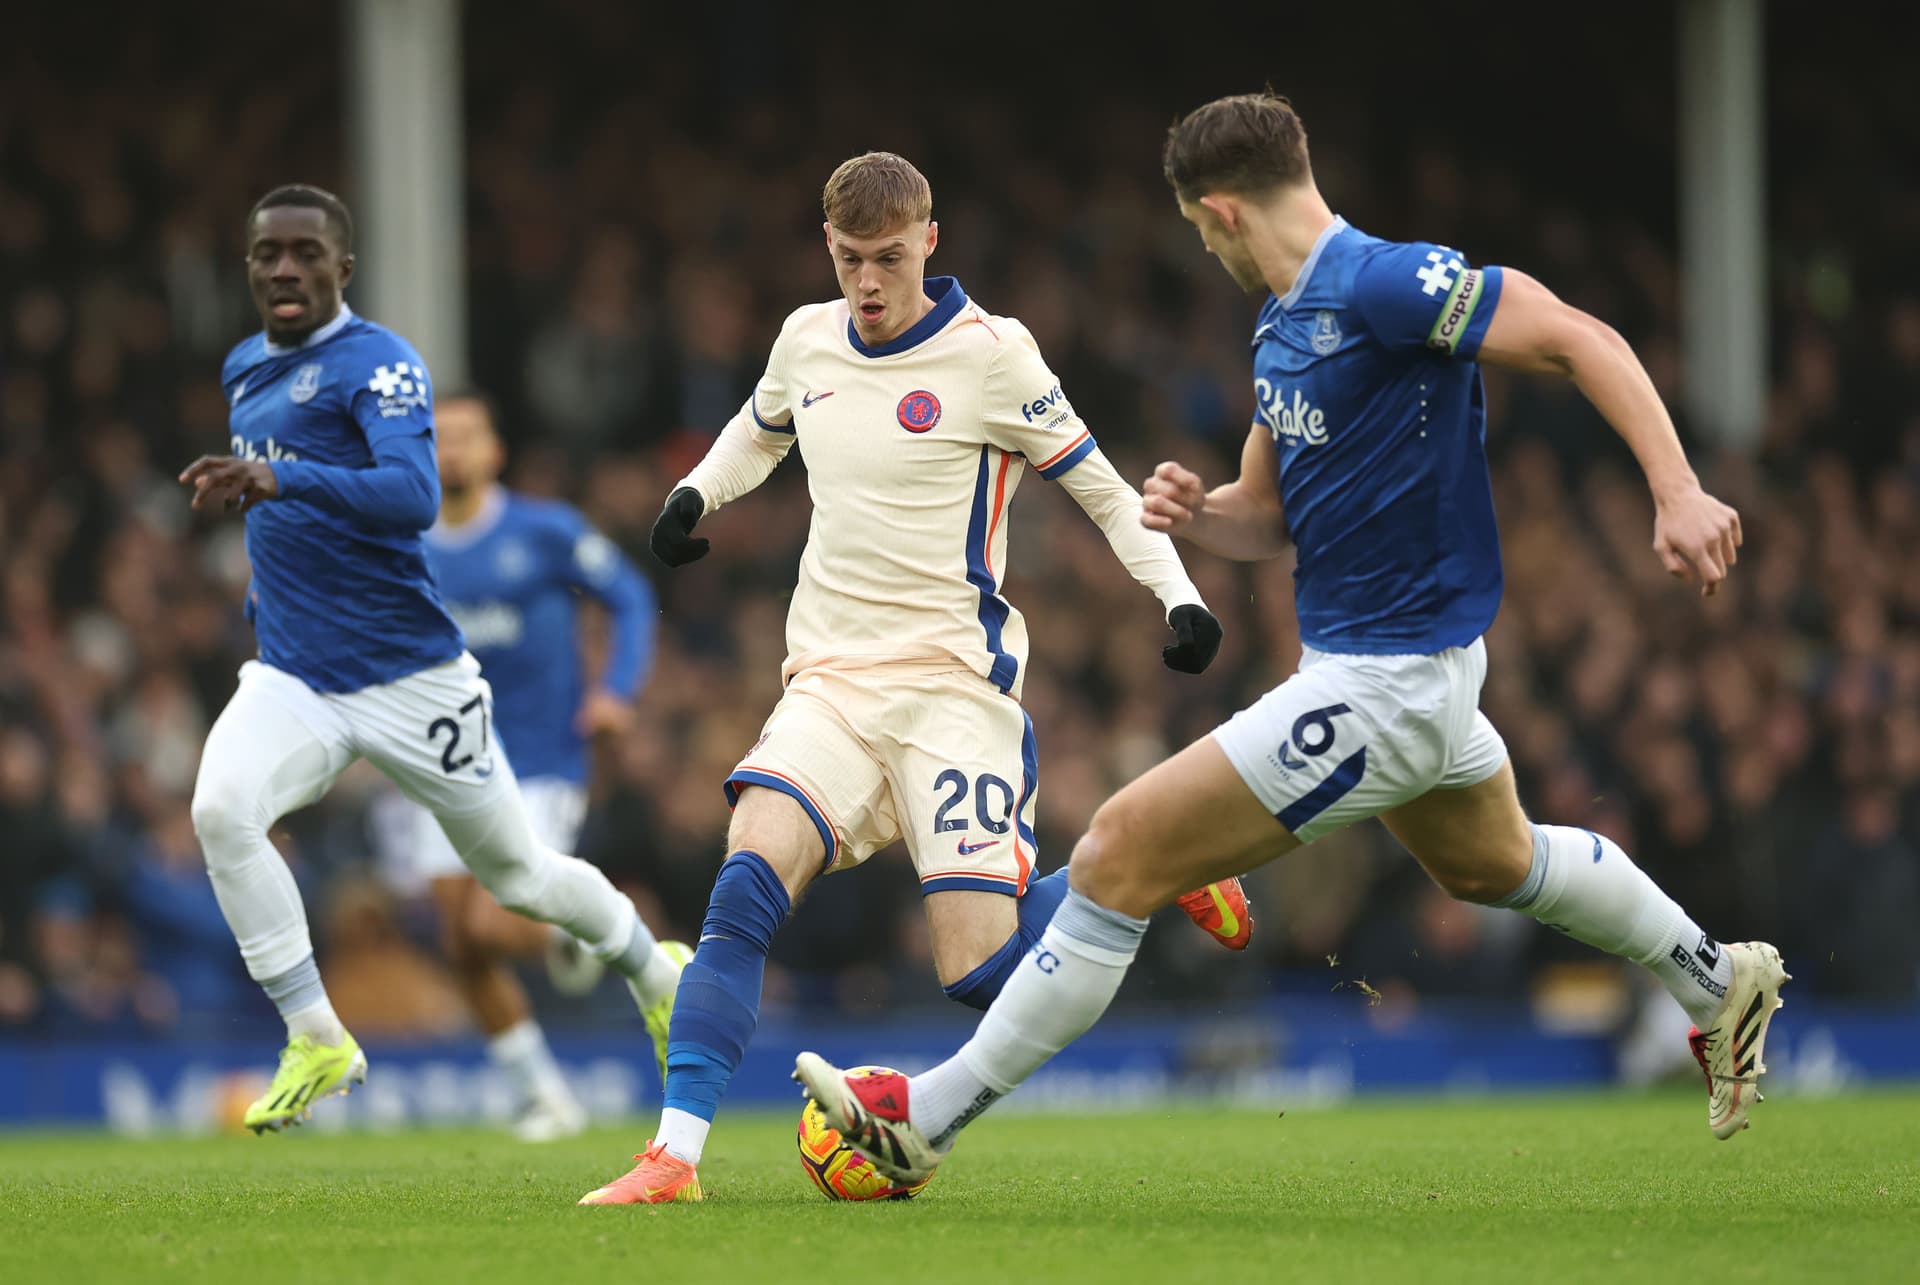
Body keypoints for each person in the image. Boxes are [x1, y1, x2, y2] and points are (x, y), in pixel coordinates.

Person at [794, 93, 1789, 1183]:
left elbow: (1578, 339)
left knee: (1121, 847)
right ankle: (1715, 977)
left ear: (1221, 209)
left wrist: (1678, 489)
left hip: (1391, 680)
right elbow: (1265, 516)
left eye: (1196, 228)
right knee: (1497, 861)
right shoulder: (1281, 322)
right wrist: (1201, 512)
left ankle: (920, 1122)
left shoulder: (1386, 283)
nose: (1203, 246)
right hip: (1392, 671)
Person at [578, 152, 1243, 1205]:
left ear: (930, 242)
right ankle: (674, 1156)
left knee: (986, 978)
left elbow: (1107, 493)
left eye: (889, 258)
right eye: (850, 260)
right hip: (831, 685)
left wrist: (1178, 596)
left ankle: (1152, 863)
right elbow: (758, 434)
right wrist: (694, 496)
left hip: (952, 693)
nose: (869, 284)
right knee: (745, 882)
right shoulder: (806, 337)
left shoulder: (994, 357)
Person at [181, 185, 685, 1134]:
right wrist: (264, 583)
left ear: (344, 268)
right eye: (266, 255)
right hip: (296, 674)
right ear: (248, 267)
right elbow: (281, 521)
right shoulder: (244, 366)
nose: (284, 269)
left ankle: (654, 971)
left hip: (412, 681)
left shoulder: (381, 365)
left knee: (519, 882)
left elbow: (412, 494)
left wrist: (278, 476)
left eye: (305, 253)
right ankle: (315, 1032)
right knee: (220, 809)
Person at [376, 388, 688, 1141]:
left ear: (494, 453)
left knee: (495, 918)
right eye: (437, 437)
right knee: (460, 942)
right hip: (443, 760)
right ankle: (545, 1094)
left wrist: (615, 690)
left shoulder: (544, 532)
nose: (451, 450)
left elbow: (631, 596)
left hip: (541, 760)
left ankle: (583, 930)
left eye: (465, 436)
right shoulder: (402, 541)